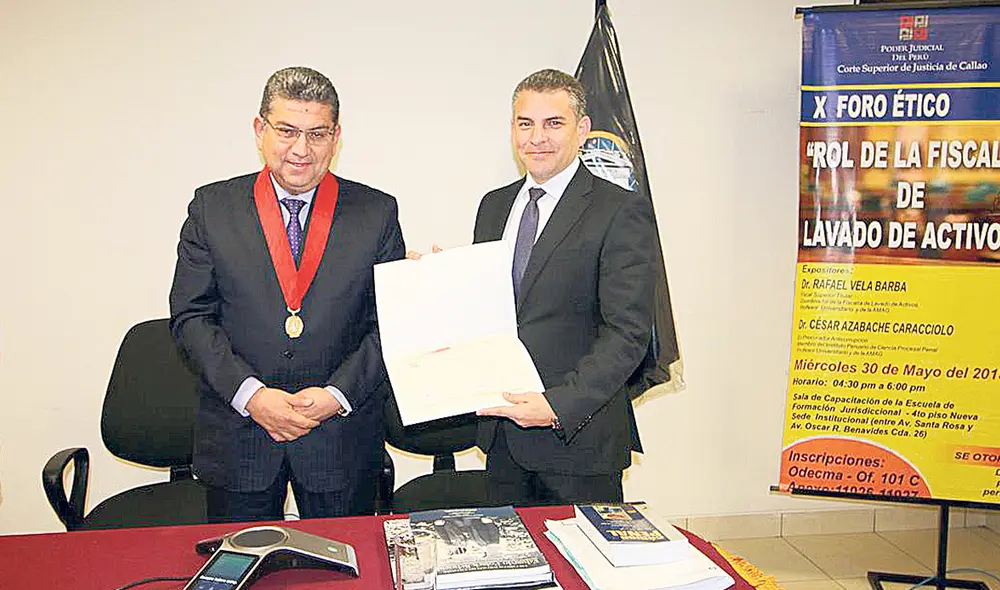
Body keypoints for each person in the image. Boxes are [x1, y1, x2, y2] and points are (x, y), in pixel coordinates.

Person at [169, 66, 404, 522]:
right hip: (240, 437)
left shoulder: (376, 213)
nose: (301, 149)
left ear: (336, 137)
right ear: (260, 130)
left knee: (345, 559)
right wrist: (252, 396)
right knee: (244, 559)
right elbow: (191, 318)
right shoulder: (211, 209)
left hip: (340, 439)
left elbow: (390, 325)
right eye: (287, 131)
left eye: (317, 134)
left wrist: (336, 395)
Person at [474, 69, 656, 505]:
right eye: (525, 124)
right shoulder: (494, 206)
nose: (537, 138)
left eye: (553, 123)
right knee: (510, 550)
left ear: (583, 129)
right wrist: (437, 281)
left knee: (580, 552)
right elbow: (493, 309)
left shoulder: (620, 210)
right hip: (503, 439)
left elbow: (628, 334)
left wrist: (557, 406)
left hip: (578, 442)